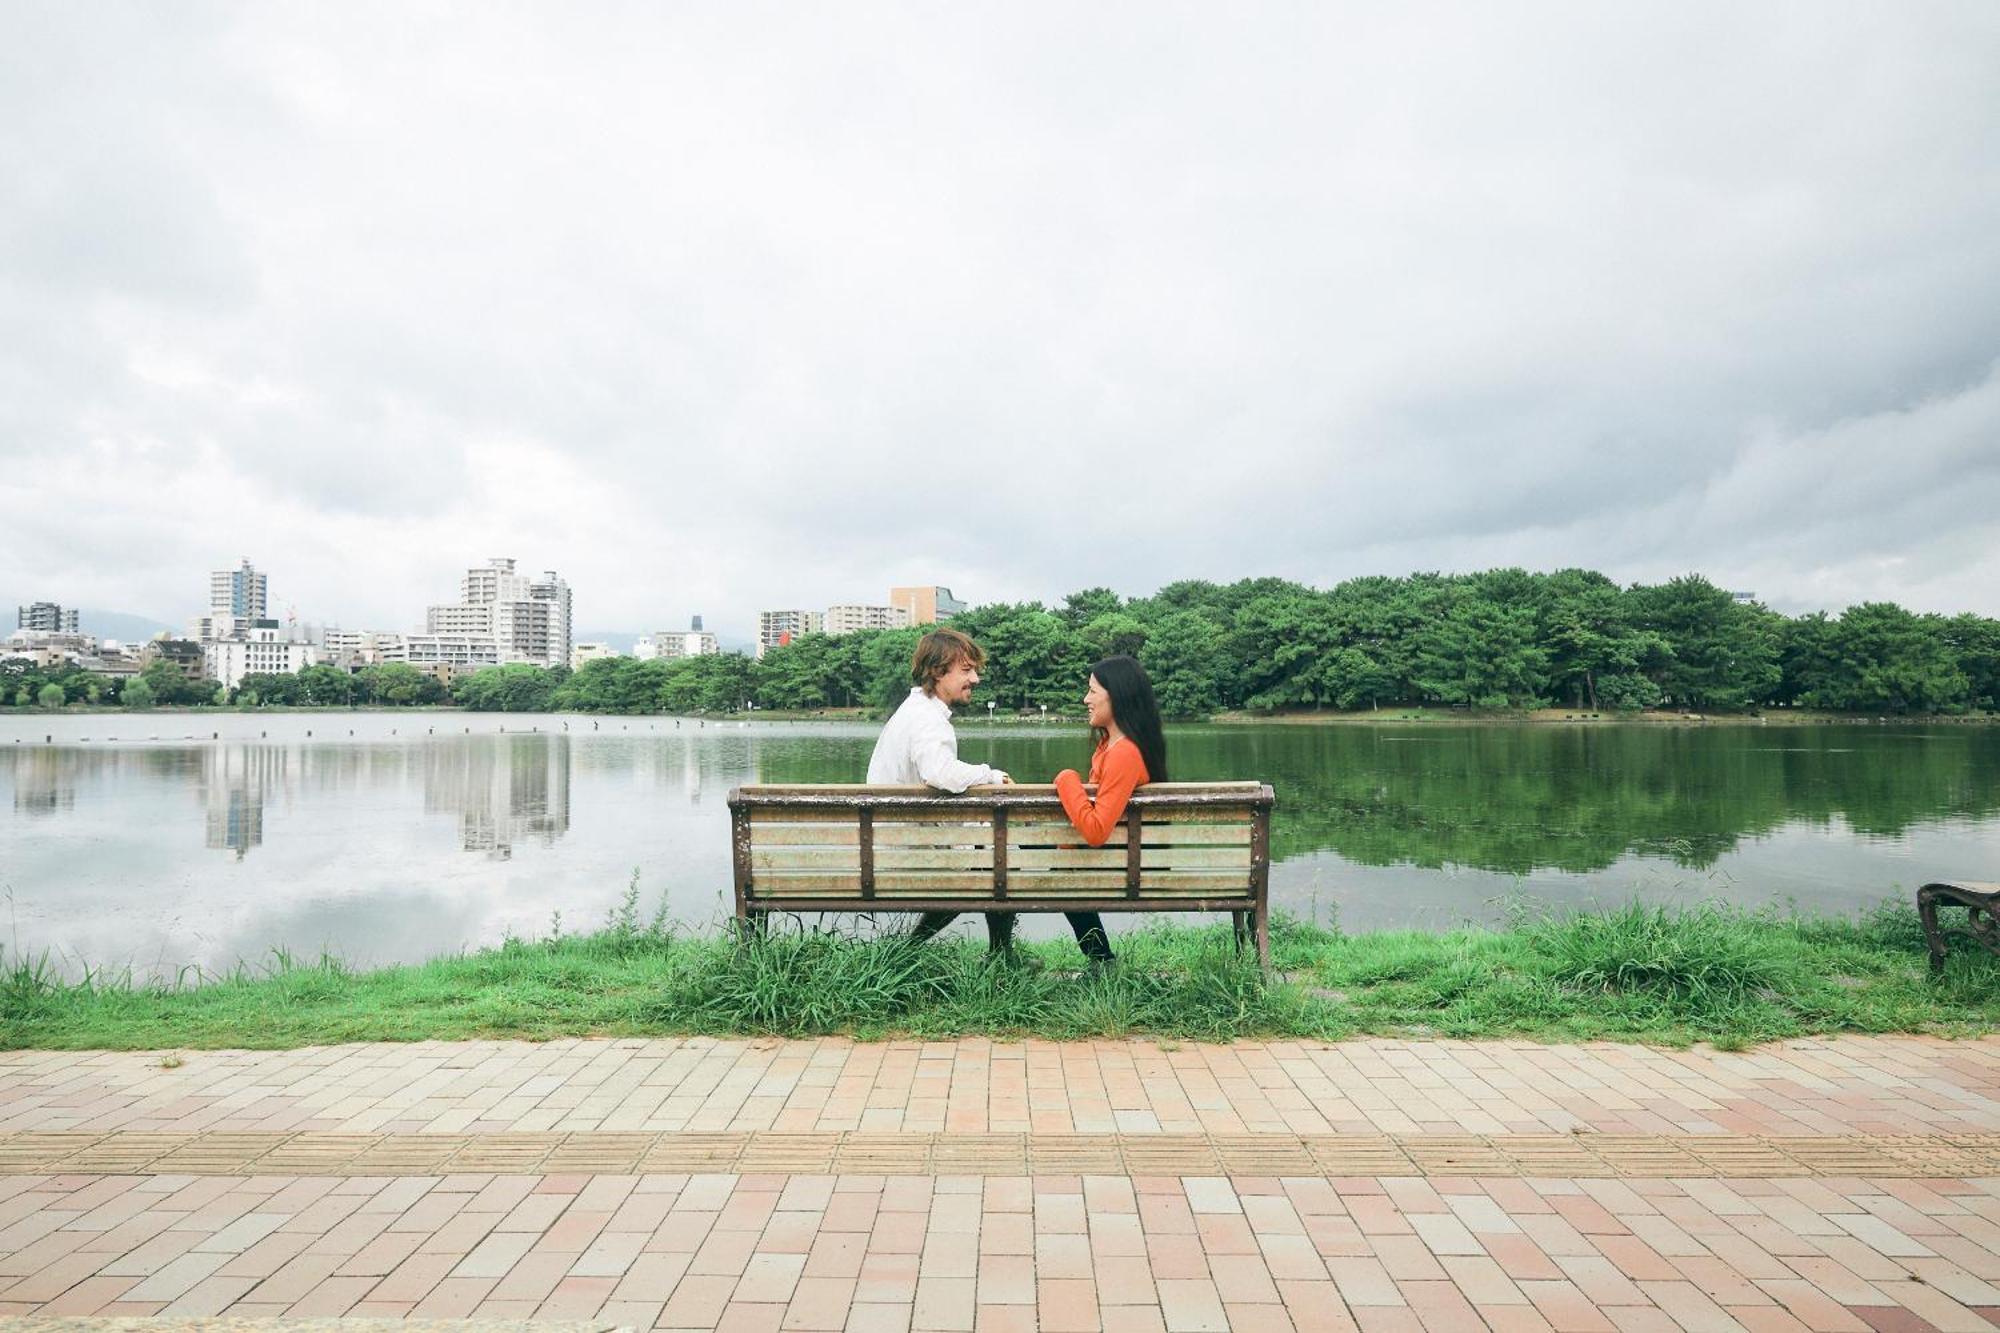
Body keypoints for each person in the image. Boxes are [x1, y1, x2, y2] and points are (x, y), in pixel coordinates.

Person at [868, 628, 1019, 954]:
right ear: (937, 672)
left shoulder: (913, 711)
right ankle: (999, 957)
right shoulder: (927, 719)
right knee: (998, 861)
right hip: (904, 852)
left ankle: (910, 951)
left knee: (988, 855)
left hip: (885, 845)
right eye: (966, 670)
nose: (975, 679)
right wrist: (988, 775)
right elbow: (939, 772)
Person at [1051, 655, 1170, 965]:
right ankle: (1101, 960)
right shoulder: (1112, 747)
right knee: (1036, 851)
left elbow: (1096, 830)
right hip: (1121, 858)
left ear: (1116, 695)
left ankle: (1102, 961)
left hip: (1125, 866)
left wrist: (1067, 779)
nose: (1085, 699)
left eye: (1092, 691)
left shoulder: (1124, 753)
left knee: (1055, 874)